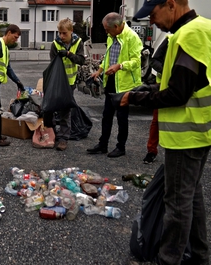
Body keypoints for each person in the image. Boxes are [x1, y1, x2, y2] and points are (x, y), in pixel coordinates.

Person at [116, 0, 211, 263]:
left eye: (153, 14)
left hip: (186, 135)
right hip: (199, 131)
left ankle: (168, 259)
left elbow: (178, 94)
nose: (152, 22)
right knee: (191, 198)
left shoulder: (189, 34)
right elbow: (182, 84)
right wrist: (140, 93)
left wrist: (136, 99)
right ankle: (201, 257)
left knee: (178, 204)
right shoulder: (203, 27)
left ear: (170, 4)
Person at [86, 12, 142, 158]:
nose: (106, 32)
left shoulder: (132, 38)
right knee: (107, 114)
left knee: (122, 118)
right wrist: (99, 71)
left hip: (124, 84)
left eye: (107, 29)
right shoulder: (112, 36)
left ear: (116, 26)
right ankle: (103, 144)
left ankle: (120, 147)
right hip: (111, 81)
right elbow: (108, 57)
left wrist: (120, 66)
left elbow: (136, 62)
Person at [48, 18, 85, 151]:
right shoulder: (55, 44)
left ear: (71, 31)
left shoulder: (78, 43)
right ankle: (51, 134)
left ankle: (63, 138)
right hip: (57, 82)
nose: (61, 36)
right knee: (50, 108)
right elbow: (52, 65)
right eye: (60, 33)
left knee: (65, 110)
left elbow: (81, 60)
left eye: (64, 33)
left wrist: (69, 54)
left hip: (69, 83)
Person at [143, 37, 168, 164]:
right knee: (156, 121)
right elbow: (154, 61)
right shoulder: (170, 38)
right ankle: (151, 151)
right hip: (163, 87)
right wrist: (169, 71)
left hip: (186, 89)